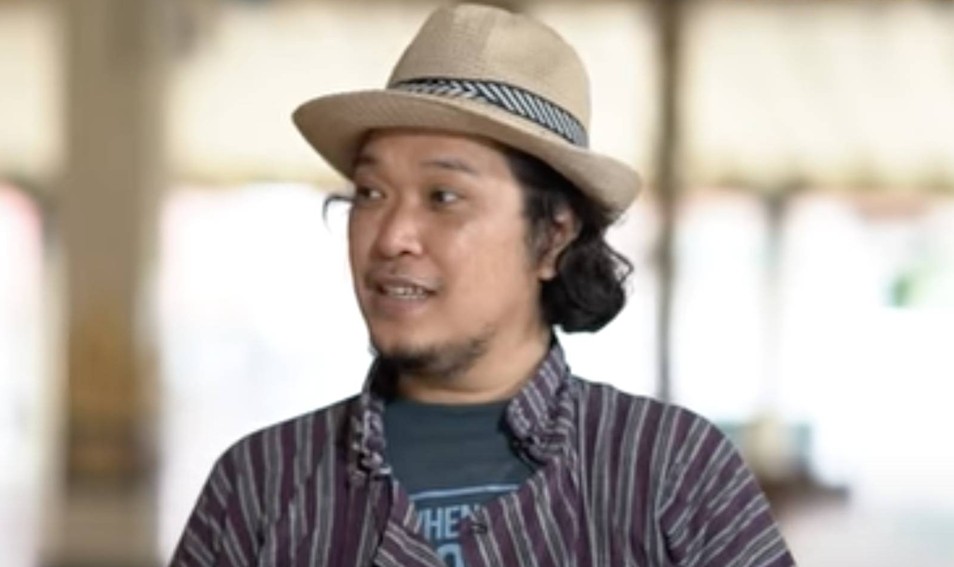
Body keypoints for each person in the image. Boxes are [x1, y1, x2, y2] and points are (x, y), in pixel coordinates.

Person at [170, 4, 796, 566]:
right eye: (371, 193)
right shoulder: (260, 484)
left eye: (444, 196)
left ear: (552, 236)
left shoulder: (670, 470)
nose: (392, 237)